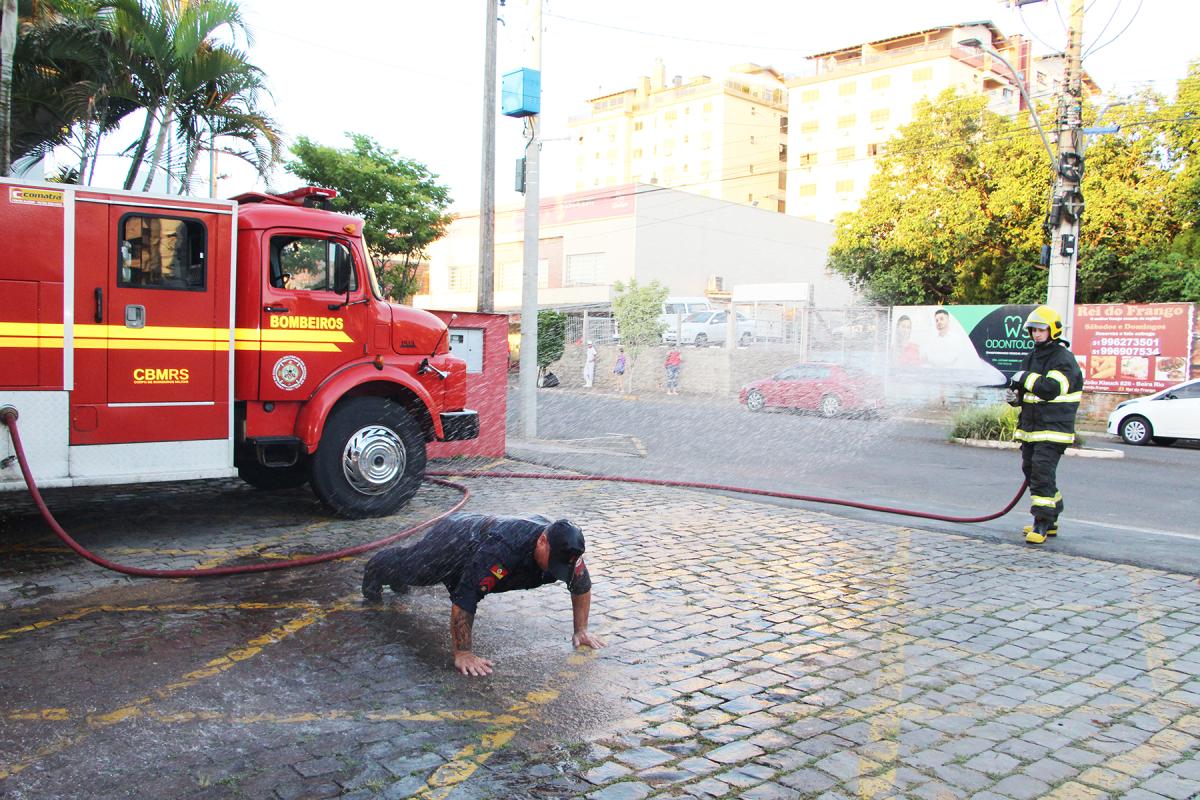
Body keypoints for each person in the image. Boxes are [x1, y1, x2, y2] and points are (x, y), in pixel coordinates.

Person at [362, 514, 604, 676]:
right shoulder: (502, 551)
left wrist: (580, 630)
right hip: (453, 541)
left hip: (476, 546)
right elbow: (465, 599)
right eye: (553, 564)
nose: (555, 572)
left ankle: (396, 578)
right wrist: (463, 653)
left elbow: (581, 587)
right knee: (416, 573)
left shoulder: (567, 552)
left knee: (428, 578)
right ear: (542, 541)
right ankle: (377, 568)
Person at [1005, 305, 1083, 544]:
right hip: (1031, 429)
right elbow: (1025, 390)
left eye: (1041, 330)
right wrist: (1015, 398)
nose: (1036, 334)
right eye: (1033, 331)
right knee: (1032, 472)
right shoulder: (1031, 356)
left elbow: (1050, 389)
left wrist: (1024, 378)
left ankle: (1041, 523)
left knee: (1040, 474)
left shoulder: (1063, 359)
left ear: (1053, 331)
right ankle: (1051, 518)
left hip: (1053, 430)